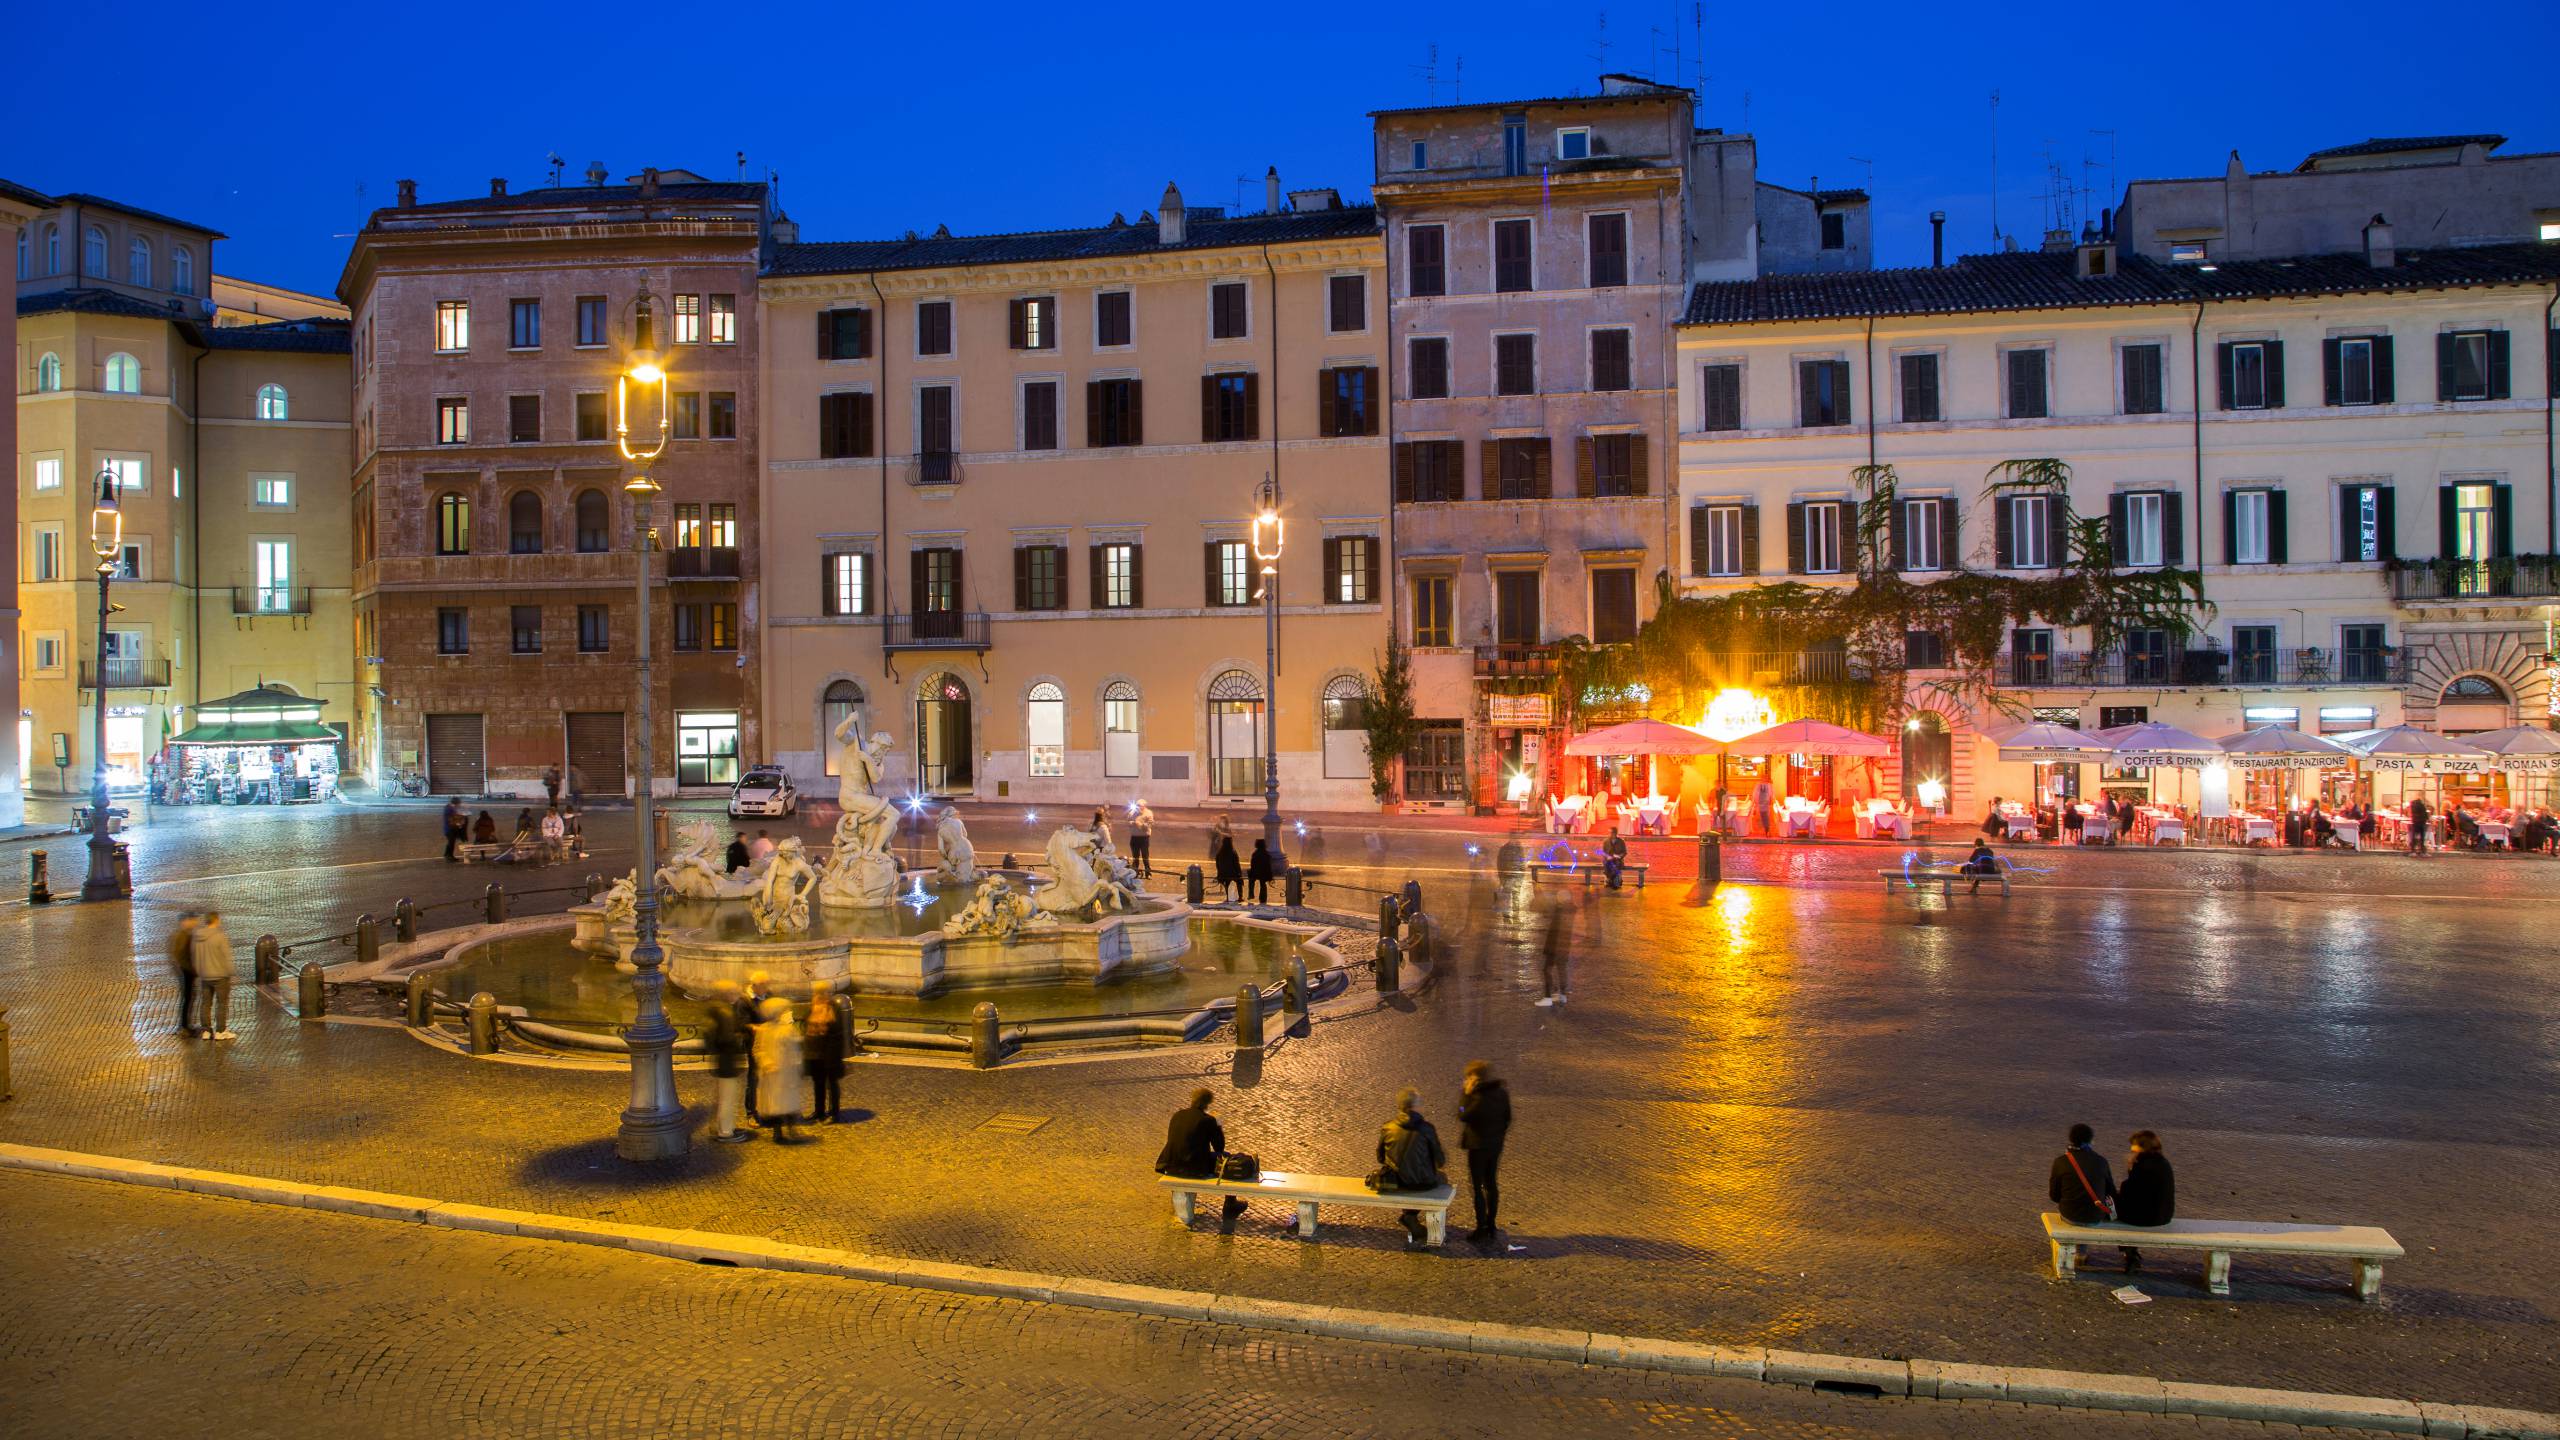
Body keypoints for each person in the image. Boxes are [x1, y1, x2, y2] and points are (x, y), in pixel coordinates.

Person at [1155, 1088, 1248, 1224]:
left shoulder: (1178, 1115)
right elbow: (1219, 1148)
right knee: (1229, 1159)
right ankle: (1230, 1203)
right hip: (1195, 1167)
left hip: (1172, 1164)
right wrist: (1218, 1125)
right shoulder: (1208, 1120)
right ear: (1207, 1103)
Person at [1374, 1088, 1449, 1246]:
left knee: (1411, 1175)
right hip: (1421, 1182)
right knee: (1442, 1178)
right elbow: (1440, 1160)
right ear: (1415, 1106)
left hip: (1396, 1181)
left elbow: (1380, 1157)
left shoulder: (1387, 1127)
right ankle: (1411, 1216)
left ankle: (1410, 1217)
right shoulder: (1427, 1129)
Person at [2047, 1123, 2117, 1268]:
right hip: (2095, 1215)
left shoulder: (2061, 1162)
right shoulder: (2100, 1161)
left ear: (2071, 1139)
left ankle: (2073, 1253)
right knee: (2086, 1208)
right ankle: (2081, 1254)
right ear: (2091, 1140)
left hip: (2070, 1214)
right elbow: (2111, 1192)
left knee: (2074, 1209)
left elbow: (2054, 1196)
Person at [1457, 1060, 1512, 1243]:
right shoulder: (1501, 1093)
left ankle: (1481, 1227)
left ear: (1473, 1077)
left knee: (1477, 1186)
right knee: (1491, 1183)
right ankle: (1491, 1224)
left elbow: (1462, 1114)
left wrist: (1465, 1096)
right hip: (1495, 1145)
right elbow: (1507, 1119)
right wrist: (1498, 1135)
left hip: (1477, 1147)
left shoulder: (1476, 1098)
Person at [2113, 1130, 2176, 1273]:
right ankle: (2130, 1251)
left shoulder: (2141, 1165)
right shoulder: (2163, 1163)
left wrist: (2130, 1170)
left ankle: (2129, 1251)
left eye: (2134, 1146)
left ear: (2142, 1147)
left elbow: (2129, 1192)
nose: (2131, 1149)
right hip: (2163, 1215)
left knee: (2112, 1207)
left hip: (2145, 1217)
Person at [751, 996, 808, 1143]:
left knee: (785, 1103)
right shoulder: (767, 1030)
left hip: (785, 1073)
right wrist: (767, 1063)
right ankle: (780, 1132)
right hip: (775, 1074)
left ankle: (788, 1130)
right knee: (778, 1104)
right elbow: (758, 1049)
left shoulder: (782, 1029)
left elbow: (794, 1050)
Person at [706, 981, 751, 1143]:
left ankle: (720, 1126)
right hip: (728, 1061)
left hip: (720, 1060)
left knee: (722, 1096)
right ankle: (725, 1132)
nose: (739, 994)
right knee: (727, 1098)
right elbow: (728, 1038)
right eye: (736, 992)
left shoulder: (715, 1008)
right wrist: (741, 1038)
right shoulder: (725, 1012)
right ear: (729, 994)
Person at [191, 912, 237, 1041]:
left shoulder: (198, 937)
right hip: (220, 975)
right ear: (216, 920)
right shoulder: (220, 936)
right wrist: (231, 972)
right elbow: (226, 957)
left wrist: (200, 971)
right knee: (221, 1004)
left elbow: (195, 956)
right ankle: (220, 1031)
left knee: (206, 1003)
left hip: (205, 976)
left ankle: (206, 1030)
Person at [803, 989, 845, 1123]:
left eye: (821, 994)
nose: (819, 997)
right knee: (818, 1083)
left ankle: (834, 1112)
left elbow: (838, 1032)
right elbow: (804, 1026)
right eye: (817, 994)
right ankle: (819, 1111)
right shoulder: (812, 1008)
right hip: (814, 1053)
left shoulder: (833, 1010)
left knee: (832, 1084)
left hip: (829, 1054)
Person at [735, 973, 771, 1123]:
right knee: (754, 1078)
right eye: (764, 984)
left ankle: (769, 1109)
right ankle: (751, 1112)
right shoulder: (744, 1001)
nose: (767, 987)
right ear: (755, 986)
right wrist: (760, 1028)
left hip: (769, 1043)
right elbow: (742, 1024)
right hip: (754, 1045)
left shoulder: (768, 996)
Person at [165, 912, 202, 1037]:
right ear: (185, 921)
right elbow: (180, 955)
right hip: (186, 972)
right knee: (187, 998)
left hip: (187, 971)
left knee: (189, 998)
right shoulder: (182, 935)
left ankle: (186, 1024)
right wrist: (191, 969)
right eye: (193, 920)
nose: (195, 922)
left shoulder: (187, 934)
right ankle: (185, 1025)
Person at [1535, 901, 1570, 1007]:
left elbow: (1554, 932)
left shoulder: (1559, 912)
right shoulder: (1569, 912)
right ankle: (1563, 996)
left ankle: (1547, 997)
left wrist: (1550, 949)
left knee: (1546, 970)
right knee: (1561, 970)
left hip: (1555, 947)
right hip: (1564, 947)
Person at [1213, 832, 1244, 904]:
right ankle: (1240, 897)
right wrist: (1239, 873)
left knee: (1227, 883)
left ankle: (1228, 896)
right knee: (1239, 881)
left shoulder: (1220, 853)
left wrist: (1219, 872)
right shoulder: (1233, 852)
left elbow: (1217, 864)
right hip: (1233, 873)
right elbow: (1236, 864)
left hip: (1223, 874)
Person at [1128, 801, 1155, 878]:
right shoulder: (1132, 813)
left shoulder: (1148, 813)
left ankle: (1148, 873)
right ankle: (1135, 872)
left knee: (1145, 856)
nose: (1138, 807)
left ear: (1144, 806)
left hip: (1144, 838)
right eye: (1137, 806)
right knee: (1135, 856)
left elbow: (1150, 824)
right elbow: (1127, 822)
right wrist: (1133, 823)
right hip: (1134, 837)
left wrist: (1140, 825)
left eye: (1140, 806)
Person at [1246, 838, 1273, 905]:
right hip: (1264, 874)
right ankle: (1263, 899)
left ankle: (1251, 893)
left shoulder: (1255, 854)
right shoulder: (1266, 854)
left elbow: (1252, 865)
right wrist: (1270, 876)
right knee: (1263, 884)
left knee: (1251, 881)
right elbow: (1269, 866)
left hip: (1255, 873)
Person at [1600, 826, 1627, 890]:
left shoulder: (1621, 841)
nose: (1610, 834)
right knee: (1607, 863)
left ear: (1615, 833)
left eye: (1612, 833)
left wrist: (1619, 856)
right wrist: (1607, 856)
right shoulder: (1606, 841)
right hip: (1608, 859)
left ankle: (1613, 881)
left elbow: (1624, 852)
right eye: (1609, 833)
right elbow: (1603, 852)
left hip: (1618, 859)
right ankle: (1611, 880)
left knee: (1616, 864)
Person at [442, 798, 467, 862]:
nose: (459, 805)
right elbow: (451, 819)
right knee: (451, 843)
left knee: (451, 842)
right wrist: (459, 823)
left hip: (450, 828)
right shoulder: (449, 809)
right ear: (455, 803)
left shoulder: (450, 808)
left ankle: (449, 855)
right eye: (458, 804)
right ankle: (448, 856)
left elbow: (454, 816)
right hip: (449, 829)